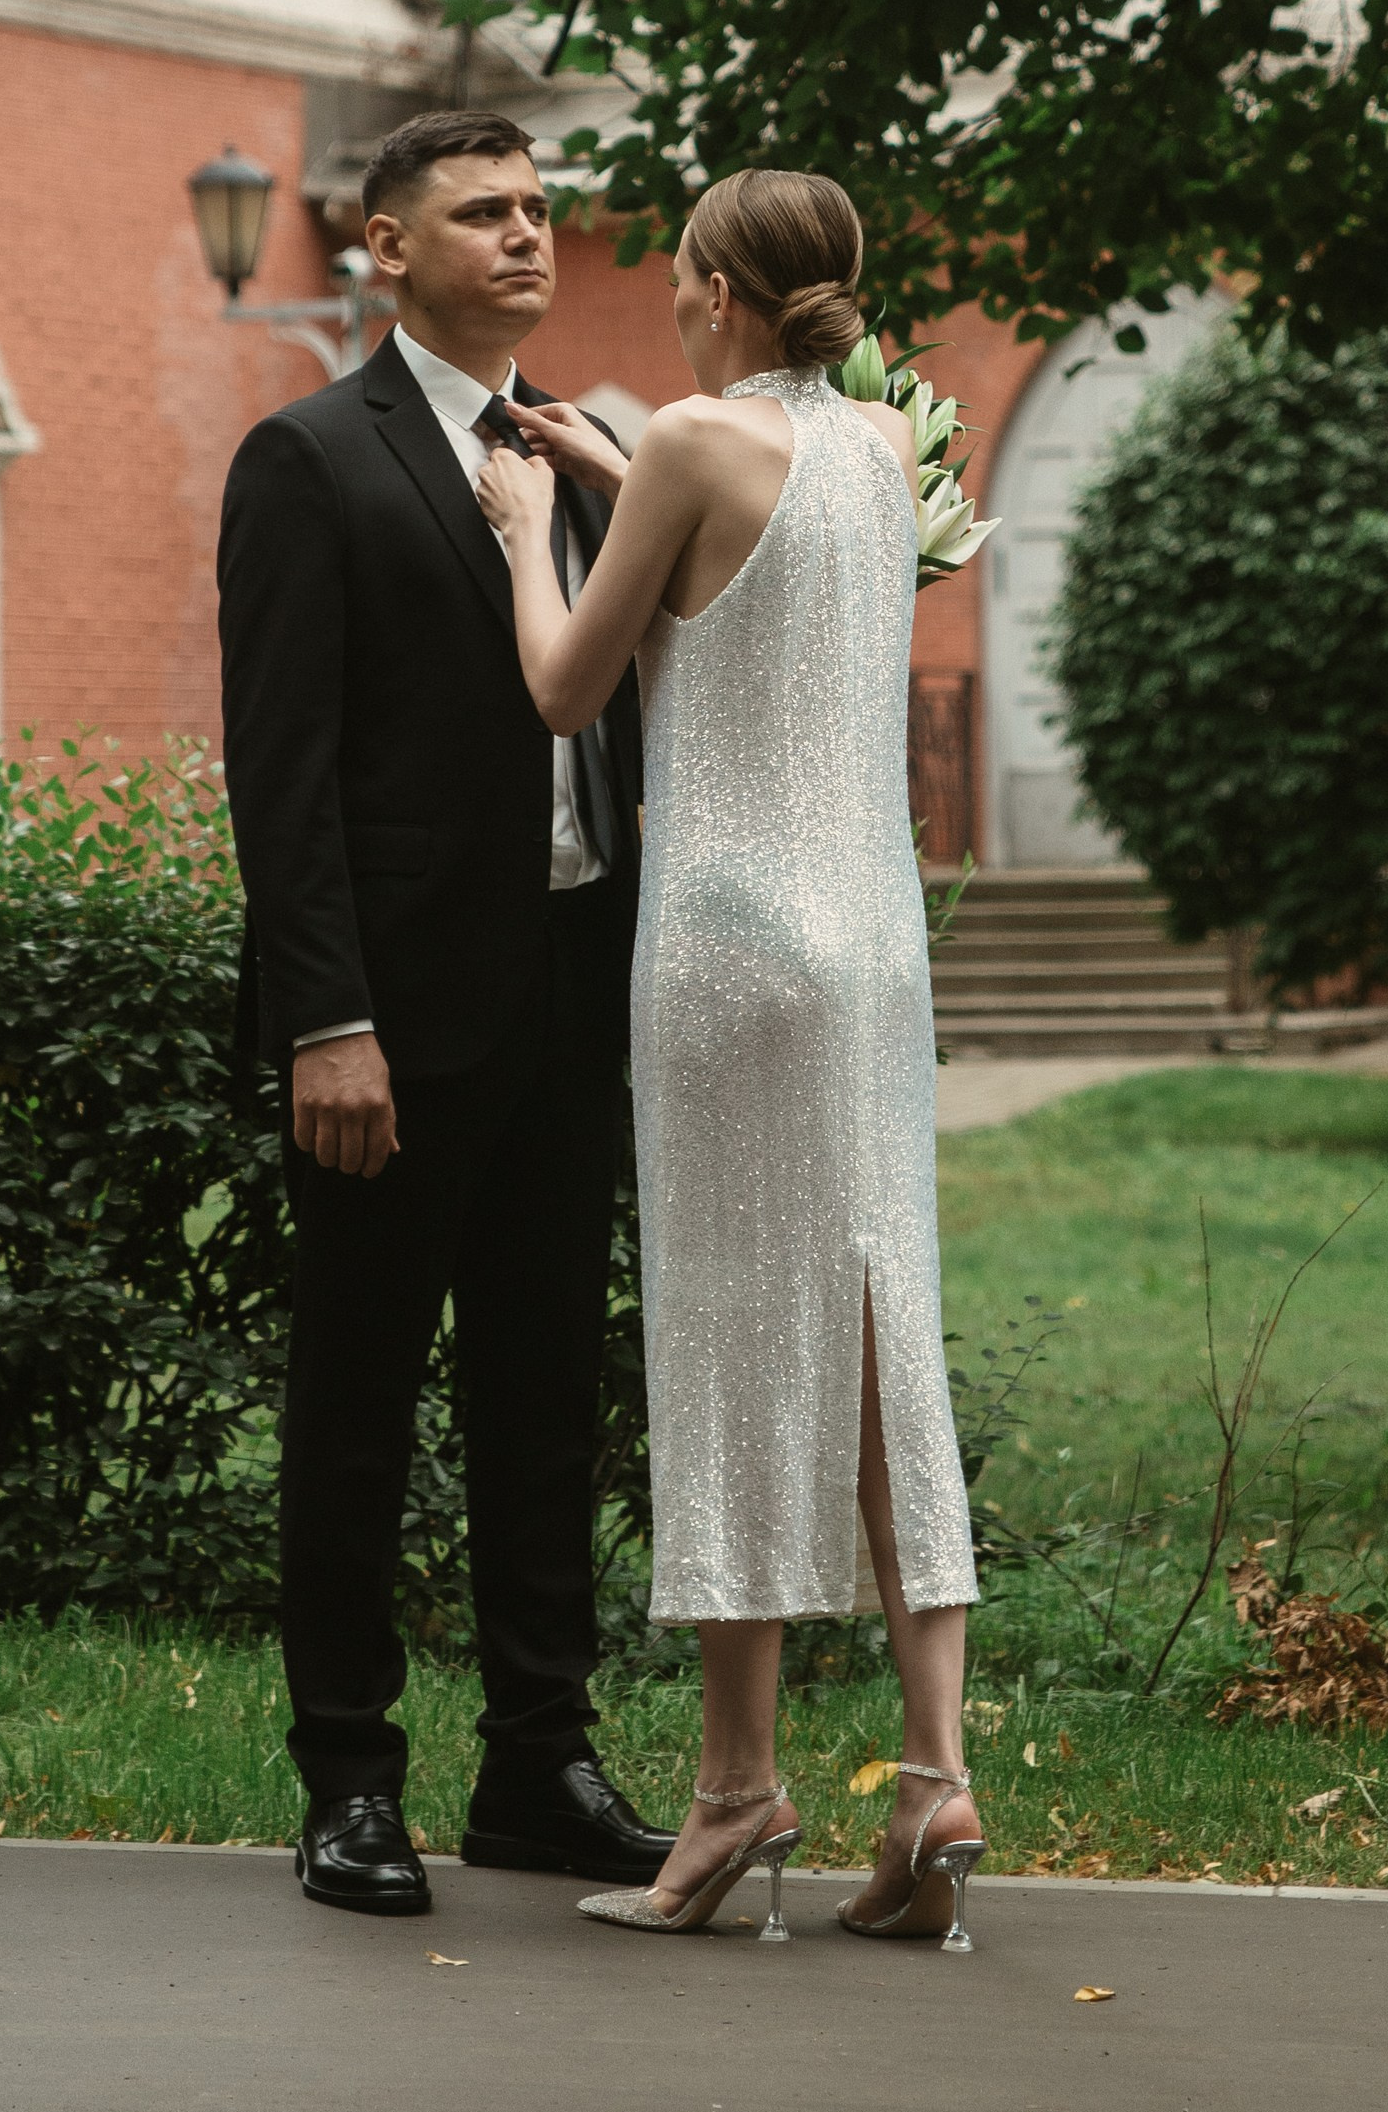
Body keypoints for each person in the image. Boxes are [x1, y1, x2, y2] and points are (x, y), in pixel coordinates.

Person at [475, 166, 986, 1951]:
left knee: (726, 1339)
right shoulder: (882, 456)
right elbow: (758, 584)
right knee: (878, 1323)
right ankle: (934, 1776)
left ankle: (731, 1795)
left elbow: (566, 684)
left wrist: (518, 522)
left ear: (711, 288)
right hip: (873, 953)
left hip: (723, 949)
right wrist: (628, 480)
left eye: (683, 274)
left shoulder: (690, 437)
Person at [217, 107, 676, 1918]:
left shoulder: (587, 449)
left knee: (544, 1397)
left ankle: (537, 1768)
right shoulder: (308, 458)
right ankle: (346, 1778)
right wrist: (330, 1020)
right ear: (384, 247)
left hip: (573, 1006)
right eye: (482, 213)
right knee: (354, 1402)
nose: (527, 238)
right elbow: (288, 775)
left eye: (540, 210)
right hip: (393, 1030)